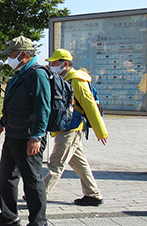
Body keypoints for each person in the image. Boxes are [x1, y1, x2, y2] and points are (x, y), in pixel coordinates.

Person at [0, 36, 51, 226]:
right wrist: (2, 123)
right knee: (5, 176)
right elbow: (14, 104)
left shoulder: (37, 75)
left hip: (28, 137)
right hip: (13, 135)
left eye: (12, 55)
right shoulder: (19, 74)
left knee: (32, 180)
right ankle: (9, 216)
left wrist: (37, 136)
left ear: (24, 54)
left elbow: (43, 108)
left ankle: (39, 223)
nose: (9, 59)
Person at [44, 49, 109, 206]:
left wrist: (101, 132)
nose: (50, 65)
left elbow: (90, 105)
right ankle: (93, 194)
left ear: (65, 64)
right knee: (79, 163)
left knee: (56, 163)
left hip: (71, 128)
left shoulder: (77, 80)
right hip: (66, 127)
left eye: (54, 62)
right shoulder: (63, 78)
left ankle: (40, 194)